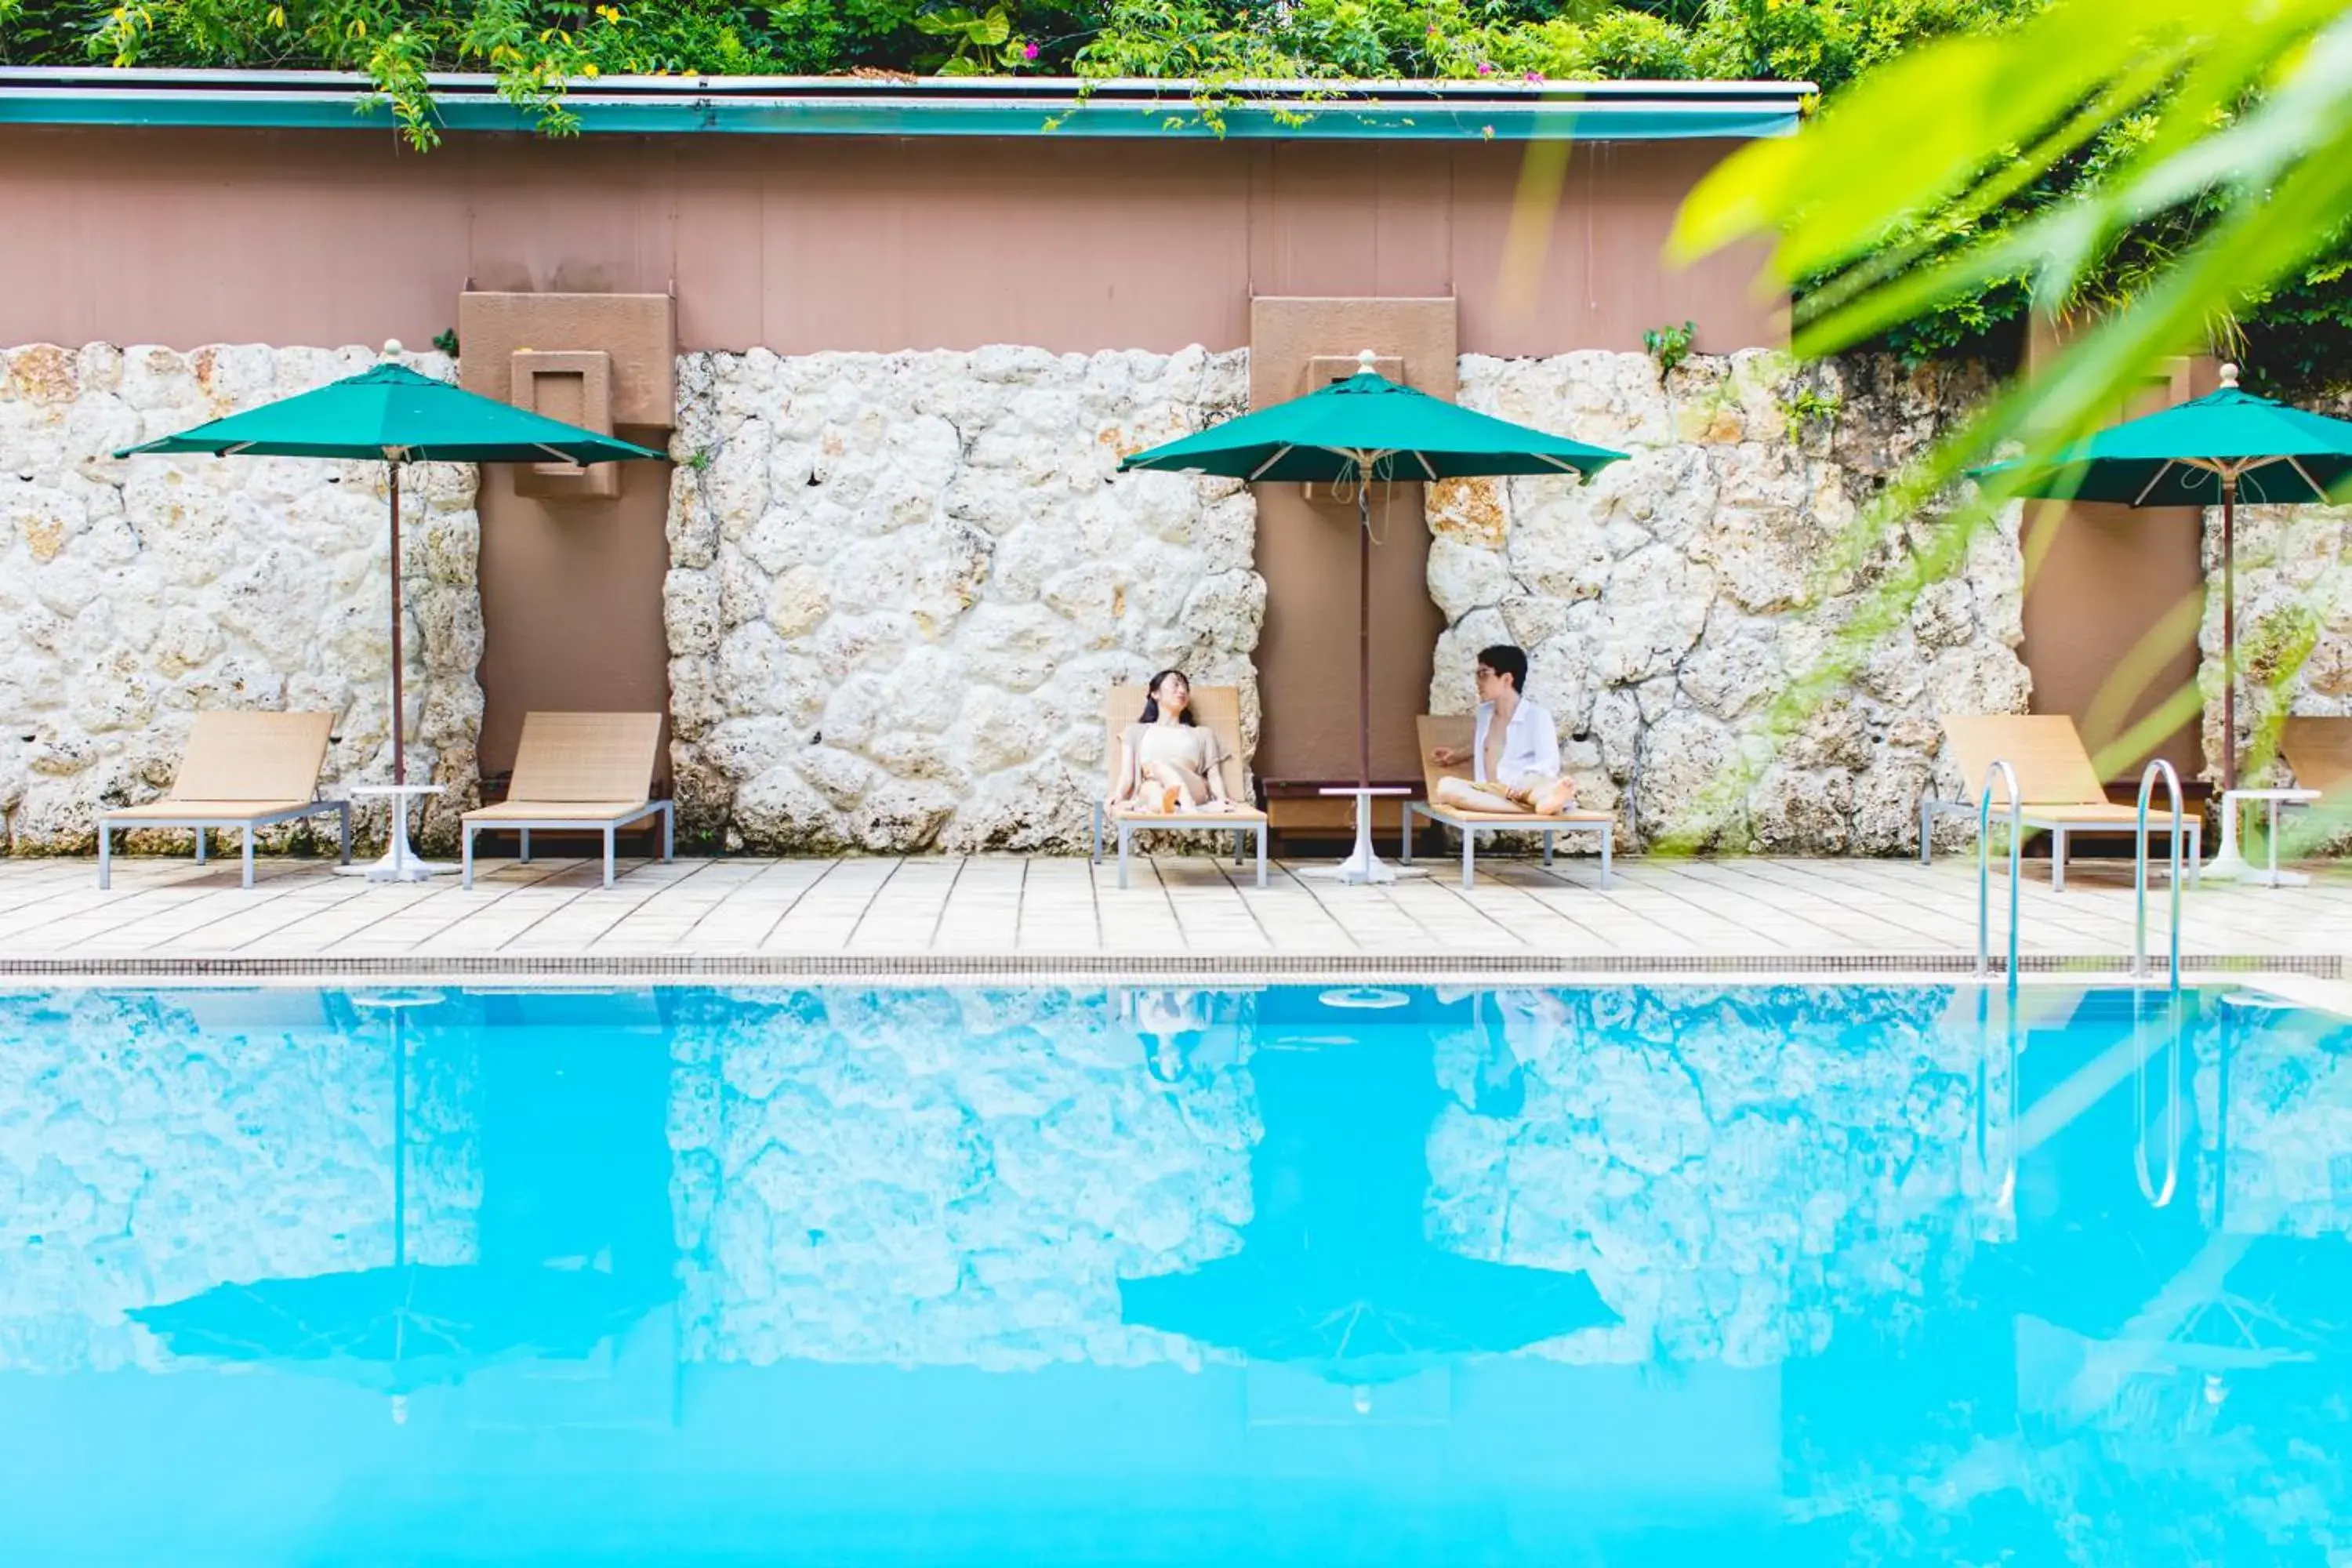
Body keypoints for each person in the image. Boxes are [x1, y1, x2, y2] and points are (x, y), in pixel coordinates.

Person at [1428, 644, 1577, 815]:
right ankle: (1531, 809)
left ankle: (1545, 801)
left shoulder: (1537, 716)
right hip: (1491, 791)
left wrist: (1524, 783)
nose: (1477, 681)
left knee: (1542, 787)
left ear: (1507, 679)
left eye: (1483, 674)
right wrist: (1456, 755)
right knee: (1445, 787)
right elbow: (1489, 744)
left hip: (1526, 789)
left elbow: (1549, 764)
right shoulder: (1484, 714)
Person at [1109, 669, 1245, 814]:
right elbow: (1127, 775)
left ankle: (1187, 804)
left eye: (1185, 688)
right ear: (1155, 694)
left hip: (1193, 785)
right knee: (1153, 790)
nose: (1182, 690)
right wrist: (1118, 795)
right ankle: (1173, 808)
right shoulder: (1135, 731)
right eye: (1175, 685)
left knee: (1159, 766)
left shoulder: (1201, 734)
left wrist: (1222, 798)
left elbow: (1213, 774)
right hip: (1152, 786)